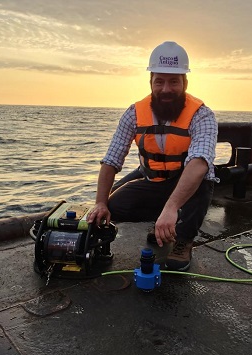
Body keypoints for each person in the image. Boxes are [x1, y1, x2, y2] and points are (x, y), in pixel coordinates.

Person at [86, 41, 218, 271]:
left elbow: (198, 163)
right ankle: (163, 224)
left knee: (204, 179)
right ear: (151, 82)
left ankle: (183, 239)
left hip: (186, 180)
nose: (166, 89)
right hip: (152, 178)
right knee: (112, 204)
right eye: (159, 81)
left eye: (174, 81)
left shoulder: (202, 115)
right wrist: (99, 202)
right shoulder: (134, 113)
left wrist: (171, 207)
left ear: (185, 83)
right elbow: (111, 160)